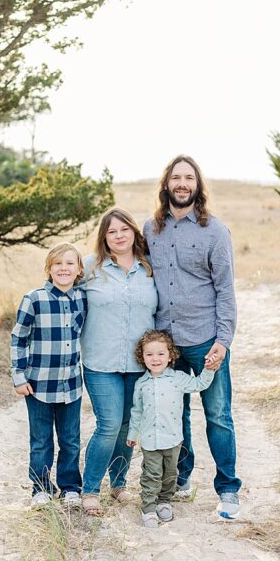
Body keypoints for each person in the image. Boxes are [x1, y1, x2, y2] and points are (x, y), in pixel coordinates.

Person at [143, 154, 240, 519]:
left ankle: (228, 490)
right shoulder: (150, 229)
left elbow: (225, 291)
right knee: (174, 414)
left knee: (217, 415)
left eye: (189, 178)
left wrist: (223, 340)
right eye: (176, 177)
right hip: (166, 344)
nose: (182, 184)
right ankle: (181, 478)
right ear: (166, 184)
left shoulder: (215, 231)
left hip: (205, 340)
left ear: (197, 186)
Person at [79, 208, 158, 516]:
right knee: (109, 424)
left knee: (128, 427)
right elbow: (62, 291)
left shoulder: (149, 268)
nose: (119, 236)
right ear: (104, 237)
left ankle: (119, 484)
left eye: (124, 229)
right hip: (101, 361)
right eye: (112, 232)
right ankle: (89, 489)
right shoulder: (89, 267)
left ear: (134, 233)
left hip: (139, 364)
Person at [10, 242, 87, 510]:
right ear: (49, 268)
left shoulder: (82, 298)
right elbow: (18, 338)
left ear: (79, 269)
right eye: (58, 264)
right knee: (41, 440)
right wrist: (18, 376)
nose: (64, 269)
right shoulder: (34, 299)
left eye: (70, 263)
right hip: (38, 385)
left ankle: (70, 487)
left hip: (71, 384)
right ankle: (40, 488)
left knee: (70, 440)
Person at [126, 329, 214, 528]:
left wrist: (209, 368)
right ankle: (148, 507)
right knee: (151, 474)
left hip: (173, 438)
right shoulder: (141, 384)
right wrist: (133, 434)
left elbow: (200, 383)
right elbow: (136, 411)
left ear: (170, 355)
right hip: (149, 440)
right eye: (149, 354)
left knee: (170, 474)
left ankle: (164, 501)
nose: (155, 359)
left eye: (160, 354)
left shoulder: (178, 378)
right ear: (142, 357)